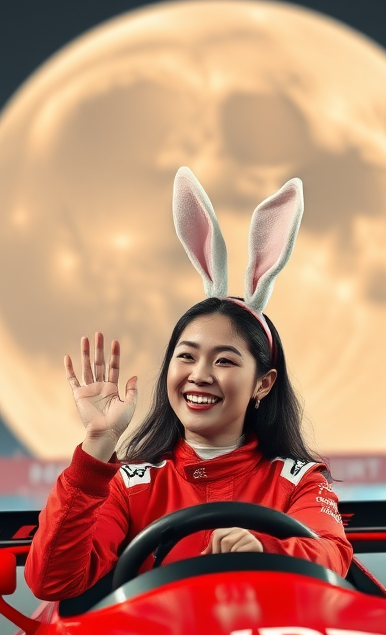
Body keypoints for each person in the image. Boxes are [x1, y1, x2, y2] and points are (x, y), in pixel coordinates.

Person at [25, 168, 353, 602]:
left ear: (263, 383)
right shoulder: (131, 485)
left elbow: (331, 553)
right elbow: (53, 583)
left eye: (224, 360)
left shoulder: (300, 481)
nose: (200, 374)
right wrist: (98, 445)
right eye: (187, 356)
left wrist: (266, 549)